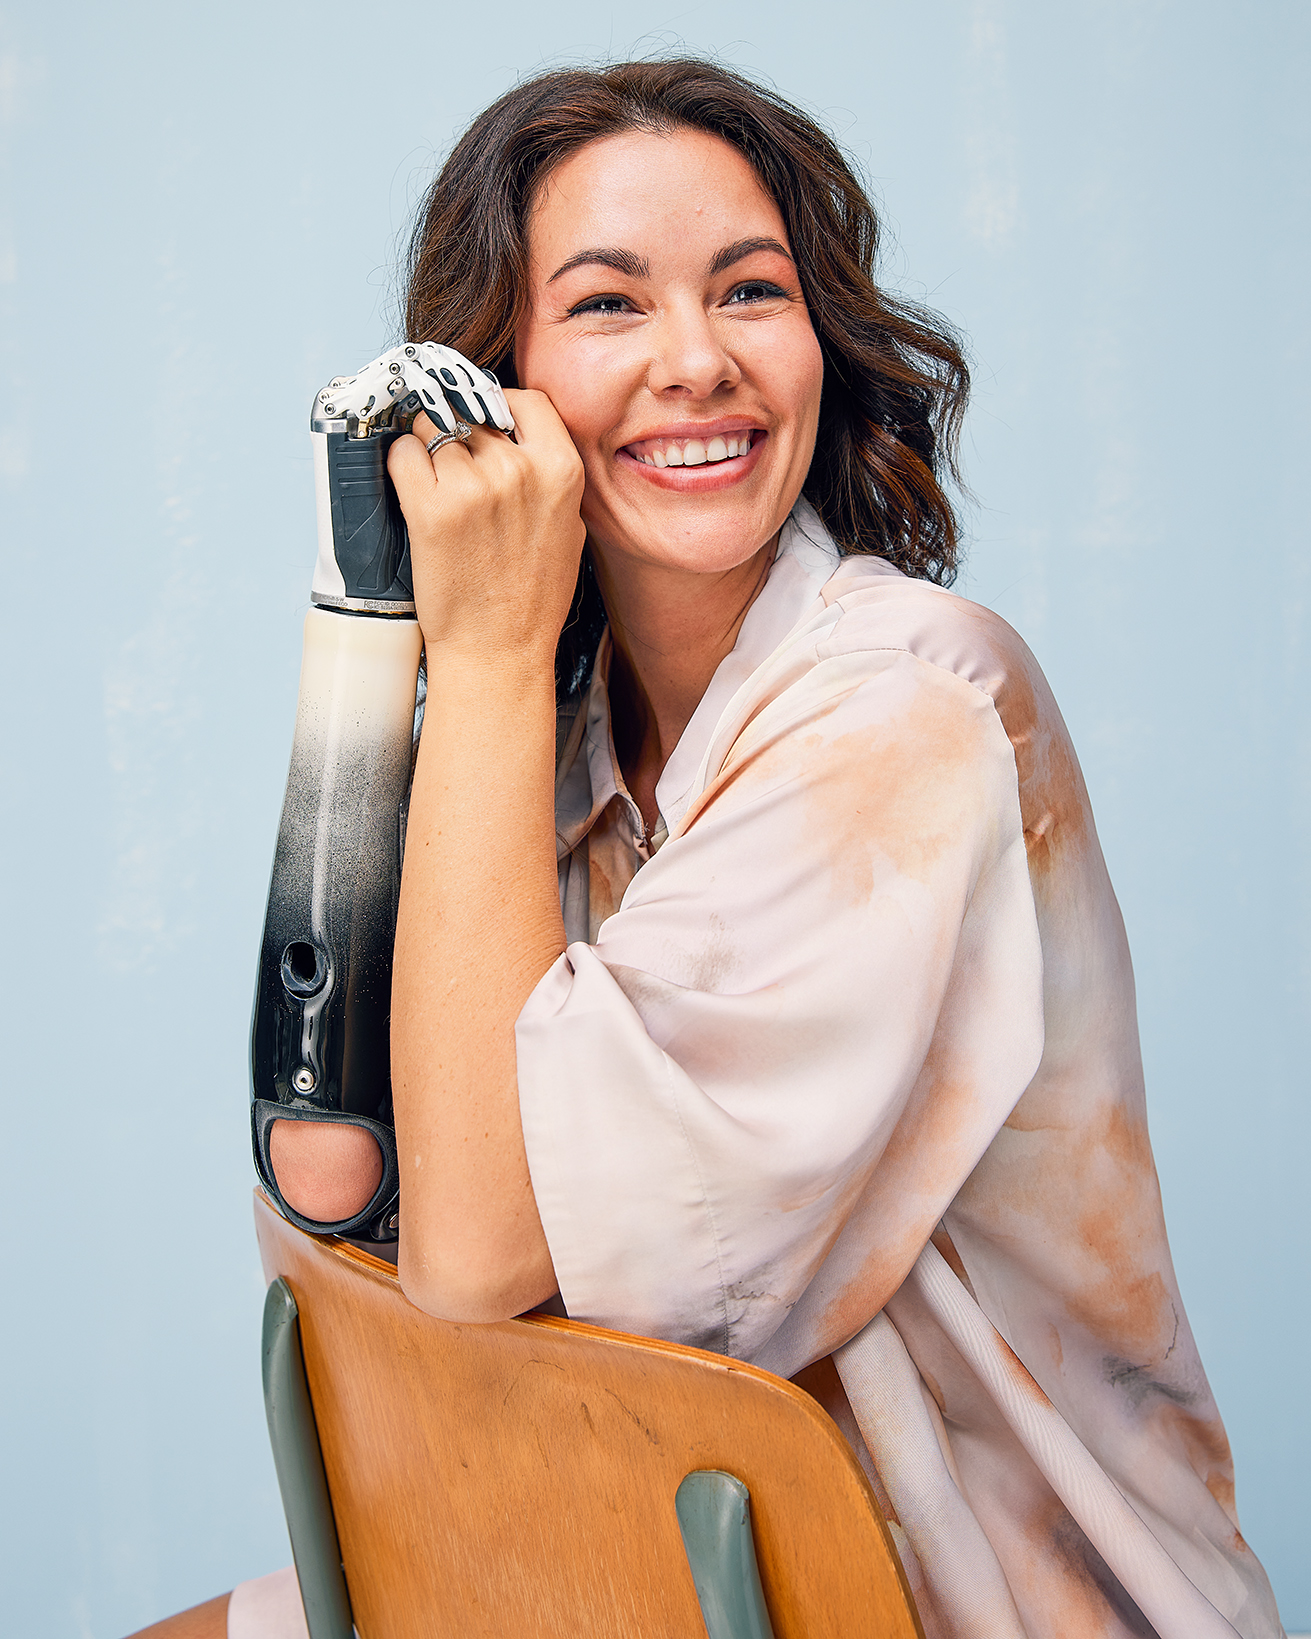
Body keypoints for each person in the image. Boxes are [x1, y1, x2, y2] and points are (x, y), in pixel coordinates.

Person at [135, 57, 1284, 1639]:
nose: (698, 363)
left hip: (944, 1598)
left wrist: (472, 660)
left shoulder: (907, 711)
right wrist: (373, 621)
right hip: (628, 1562)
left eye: (751, 290)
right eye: (609, 306)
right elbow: (325, 1179)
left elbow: (471, 1261)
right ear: (500, 384)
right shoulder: (545, 723)